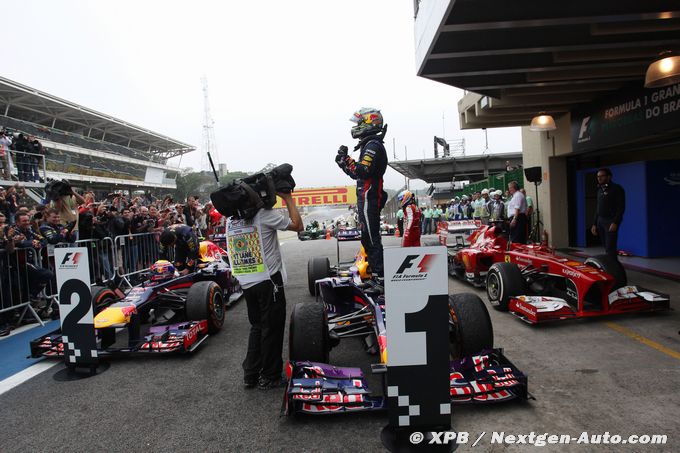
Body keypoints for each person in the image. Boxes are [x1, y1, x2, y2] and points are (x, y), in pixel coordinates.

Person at [225, 191, 302, 390]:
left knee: (257, 326)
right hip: (268, 281)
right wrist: (288, 199)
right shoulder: (265, 215)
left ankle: (250, 374)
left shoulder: (231, 221)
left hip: (247, 282)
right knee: (272, 328)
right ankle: (270, 375)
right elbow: (298, 226)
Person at [335, 107, 388, 278]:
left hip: (370, 197)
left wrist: (348, 159)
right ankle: (376, 273)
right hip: (365, 197)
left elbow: (363, 170)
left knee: (372, 238)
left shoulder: (373, 145)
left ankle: (380, 276)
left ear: (369, 122)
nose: (356, 126)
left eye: (359, 123)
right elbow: (357, 174)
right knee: (366, 238)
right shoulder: (368, 144)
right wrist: (343, 163)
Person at [591, 168, 625, 258]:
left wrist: (615, 222)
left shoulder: (617, 188)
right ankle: (610, 265)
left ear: (609, 177)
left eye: (602, 176)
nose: (599, 178)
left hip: (610, 221)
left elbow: (621, 207)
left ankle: (613, 269)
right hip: (600, 221)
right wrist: (594, 224)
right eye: (598, 176)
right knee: (606, 246)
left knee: (610, 248)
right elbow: (598, 208)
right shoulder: (600, 190)